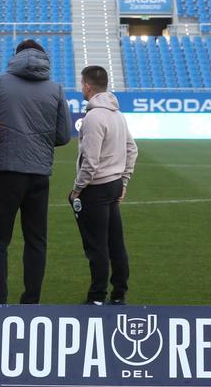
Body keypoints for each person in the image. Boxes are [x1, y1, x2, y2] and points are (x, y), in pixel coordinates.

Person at [0, 39, 71, 305]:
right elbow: (64, 135)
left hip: (5, 173)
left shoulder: (0, 82)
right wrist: (40, 143)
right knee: (36, 241)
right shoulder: (56, 89)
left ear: (16, 56)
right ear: (43, 58)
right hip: (38, 175)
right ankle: (30, 302)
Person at [70, 65, 138, 305]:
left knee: (96, 246)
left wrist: (78, 188)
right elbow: (132, 149)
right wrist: (125, 180)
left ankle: (97, 296)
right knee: (115, 243)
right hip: (114, 184)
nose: (81, 88)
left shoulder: (93, 117)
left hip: (96, 188)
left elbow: (90, 161)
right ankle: (119, 293)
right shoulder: (117, 114)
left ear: (88, 86)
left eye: (81, 84)